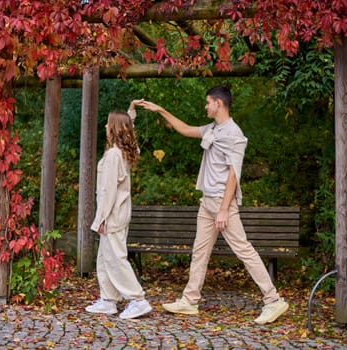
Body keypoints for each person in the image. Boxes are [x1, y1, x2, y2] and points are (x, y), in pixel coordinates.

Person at [136, 86, 288, 325]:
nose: (205, 106)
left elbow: (234, 174)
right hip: (207, 201)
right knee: (200, 251)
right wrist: (161, 110)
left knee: (243, 250)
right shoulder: (213, 128)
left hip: (221, 202)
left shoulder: (234, 134)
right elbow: (185, 129)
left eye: (208, 102)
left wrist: (225, 209)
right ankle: (189, 300)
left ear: (218, 103)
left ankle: (273, 300)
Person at [85, 101, 152, 320]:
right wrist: (131, 111)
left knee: (116, 258)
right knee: (105, 257)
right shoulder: (124, 151)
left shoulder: (114, 154)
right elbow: (128, 130)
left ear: (113, 129)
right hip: (118, 212)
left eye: (107, 124)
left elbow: (108, 190)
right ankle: (108, 300)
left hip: (113, 213)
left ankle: (138, 299)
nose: (105, 127)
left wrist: (101, 217)